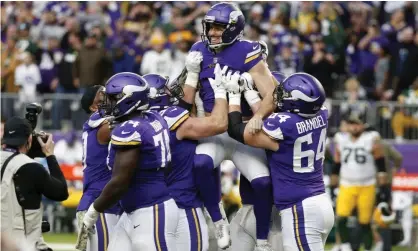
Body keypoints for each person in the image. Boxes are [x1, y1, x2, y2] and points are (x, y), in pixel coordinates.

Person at [184, 3, 278, 250]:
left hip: (242, 130)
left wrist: (260, 115)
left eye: (218, 27)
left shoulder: (248, 51)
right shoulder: (198, 49)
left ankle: (262, 240)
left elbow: (273, 93)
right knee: (200, 165)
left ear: (234, 29)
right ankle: (218, 220)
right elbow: (187, 96)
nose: (212, 32)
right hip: (212, 131)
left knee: (262, 183)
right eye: (210, 27)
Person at [227, 72, 335, 251]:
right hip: (320, 203)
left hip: (301, 209)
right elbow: (281, 102)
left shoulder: (284, 124)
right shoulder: (321, 113)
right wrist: (263, 72)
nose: (278, 95)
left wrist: (234, 95)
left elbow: (236, 130)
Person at [78, 72, 178, 250]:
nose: (107, 103)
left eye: (111, 97)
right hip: (133, 210)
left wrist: (94, 210)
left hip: (150, 210)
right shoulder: (154, 118)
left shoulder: (129, 129)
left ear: (129, 99)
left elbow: (120, 182)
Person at [143, 68, 228, 251]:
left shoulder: (141, 124)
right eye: (166, 89)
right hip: (184, 205)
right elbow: (219, 124)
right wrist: (220, 92)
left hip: (156, 207)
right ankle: (217, 211)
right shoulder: (174, 119)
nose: (170, 91)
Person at [229, 72, 286, 251]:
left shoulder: (284, 126)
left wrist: (243, 95)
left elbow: (268, 120)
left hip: (275, 213)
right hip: (248, 209)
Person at [1, 117, 69, 250]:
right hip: (21, 243)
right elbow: (61, 193)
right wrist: (50, 155)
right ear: (30, 140)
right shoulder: (31, 167)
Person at [332, 115, 389, 251]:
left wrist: (383, 187)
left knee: (365, 222)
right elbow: (337, 163)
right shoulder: (341, 139)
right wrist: (333, 184)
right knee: (341, 218)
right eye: (351, 124)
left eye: (357, 124)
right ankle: (346, 247)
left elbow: (381, 163)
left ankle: (368, 248)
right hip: (346, 184)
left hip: (367, 184)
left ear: (362, 125)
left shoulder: (370, 139)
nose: (354, 127)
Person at [75, 85, 121, 251]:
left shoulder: (97, 125)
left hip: (105, 197)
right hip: (99, 202)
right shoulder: (102, 128)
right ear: (94, 107)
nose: (109, 98)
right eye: (102, 95)